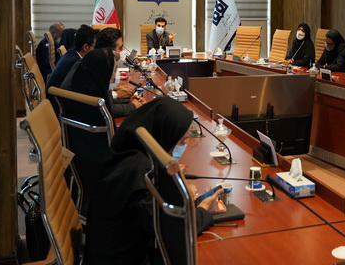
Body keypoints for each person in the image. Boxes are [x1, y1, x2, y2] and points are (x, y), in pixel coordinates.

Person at [83, 97, 222, 265]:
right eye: (181, 141)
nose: (183, 146)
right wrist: (203, 210)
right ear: (164, 135)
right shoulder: (141, 176)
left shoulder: (130, 153)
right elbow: (174, 231)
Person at [61, 47, 137, 119]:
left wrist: (127, 101)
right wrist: (134, 105)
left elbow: (105, 99)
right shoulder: (89, 88)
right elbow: (109, 109)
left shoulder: (88, 70)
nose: (115, 74)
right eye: (114, 69)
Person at [46, 25, 97, 91]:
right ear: (85, 47)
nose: (96, 50)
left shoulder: (72, 53)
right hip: (57, 95)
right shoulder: (75, 62)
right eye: (94, 47)